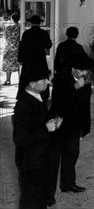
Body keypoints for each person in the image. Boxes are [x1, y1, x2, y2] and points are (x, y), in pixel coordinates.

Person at [13, 67, 62, 209]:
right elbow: (20, 139)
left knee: (40, 198)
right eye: (43, 80)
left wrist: (52, 123)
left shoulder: (37, 97)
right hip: (31, 162)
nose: (48, 82)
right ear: (32, 83)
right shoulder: (24, 104)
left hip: (40, 159)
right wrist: (45, 129)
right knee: (31, 200)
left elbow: (37, 123)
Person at [47, 53, 93, 204]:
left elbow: (85, 107)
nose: (84, 73)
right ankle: (48, 195)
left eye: (85, 70)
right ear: (73, 69)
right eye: (81, 70)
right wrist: (75, 87)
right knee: (53, 161)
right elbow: (60, 103)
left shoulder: (86, 81)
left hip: (74, 126)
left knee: (71, 156)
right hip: (59, 124)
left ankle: (68, 184)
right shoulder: (60, 81)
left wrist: (84, 128)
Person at [17, 15, 52, 99]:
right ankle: (43, 95)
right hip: (40, 58)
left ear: (30, 23)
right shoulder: (44, 33)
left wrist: (20, 59)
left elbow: (21, 47)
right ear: (39, 23)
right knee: (41, 76)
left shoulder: (26, 33)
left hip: (28, 59)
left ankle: (25, 94)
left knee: (27, 77)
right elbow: (48, 45)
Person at [2, 13, 20, 85]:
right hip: (18, 47)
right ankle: (20, 80)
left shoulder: (8, 27)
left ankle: (8, 80)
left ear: (12, 19)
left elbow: (5, 37)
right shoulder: (20, 27)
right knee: (19, 63)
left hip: (9, 47)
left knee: (7, 63)